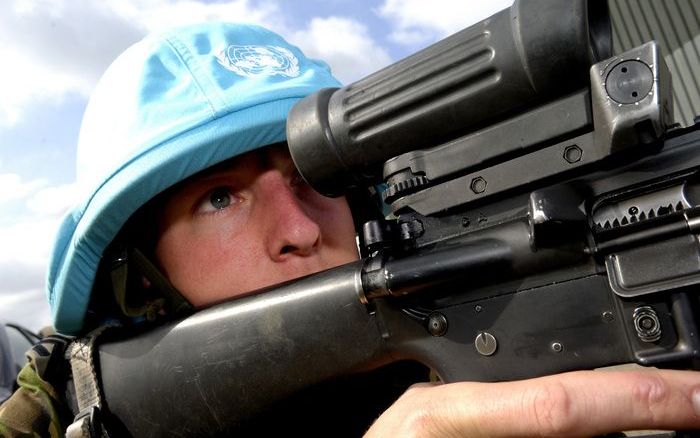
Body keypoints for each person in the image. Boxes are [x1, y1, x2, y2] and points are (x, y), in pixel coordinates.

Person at [1, 21, 700, 437]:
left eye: (313, 180)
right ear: (140, 281)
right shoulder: (58, 420)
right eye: (220, 198)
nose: (300, 229)